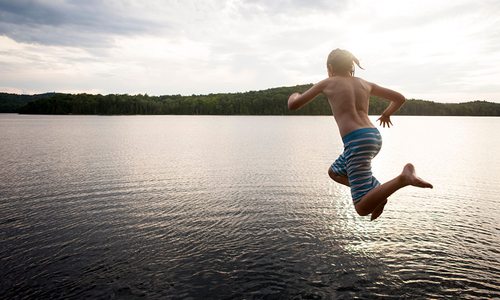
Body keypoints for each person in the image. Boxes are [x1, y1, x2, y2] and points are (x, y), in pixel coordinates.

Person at [288, 48, 433, 221]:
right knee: (335, 172)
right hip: (373, 136)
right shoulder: (365, 83)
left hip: (356, 141)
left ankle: (402, 179)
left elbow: (294, 105)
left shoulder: (328, 83)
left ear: (330, 67)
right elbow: (400, 98)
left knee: (362, 209)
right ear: (351, 66)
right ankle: (376, 193)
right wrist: (386, 114)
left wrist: (294, 94)